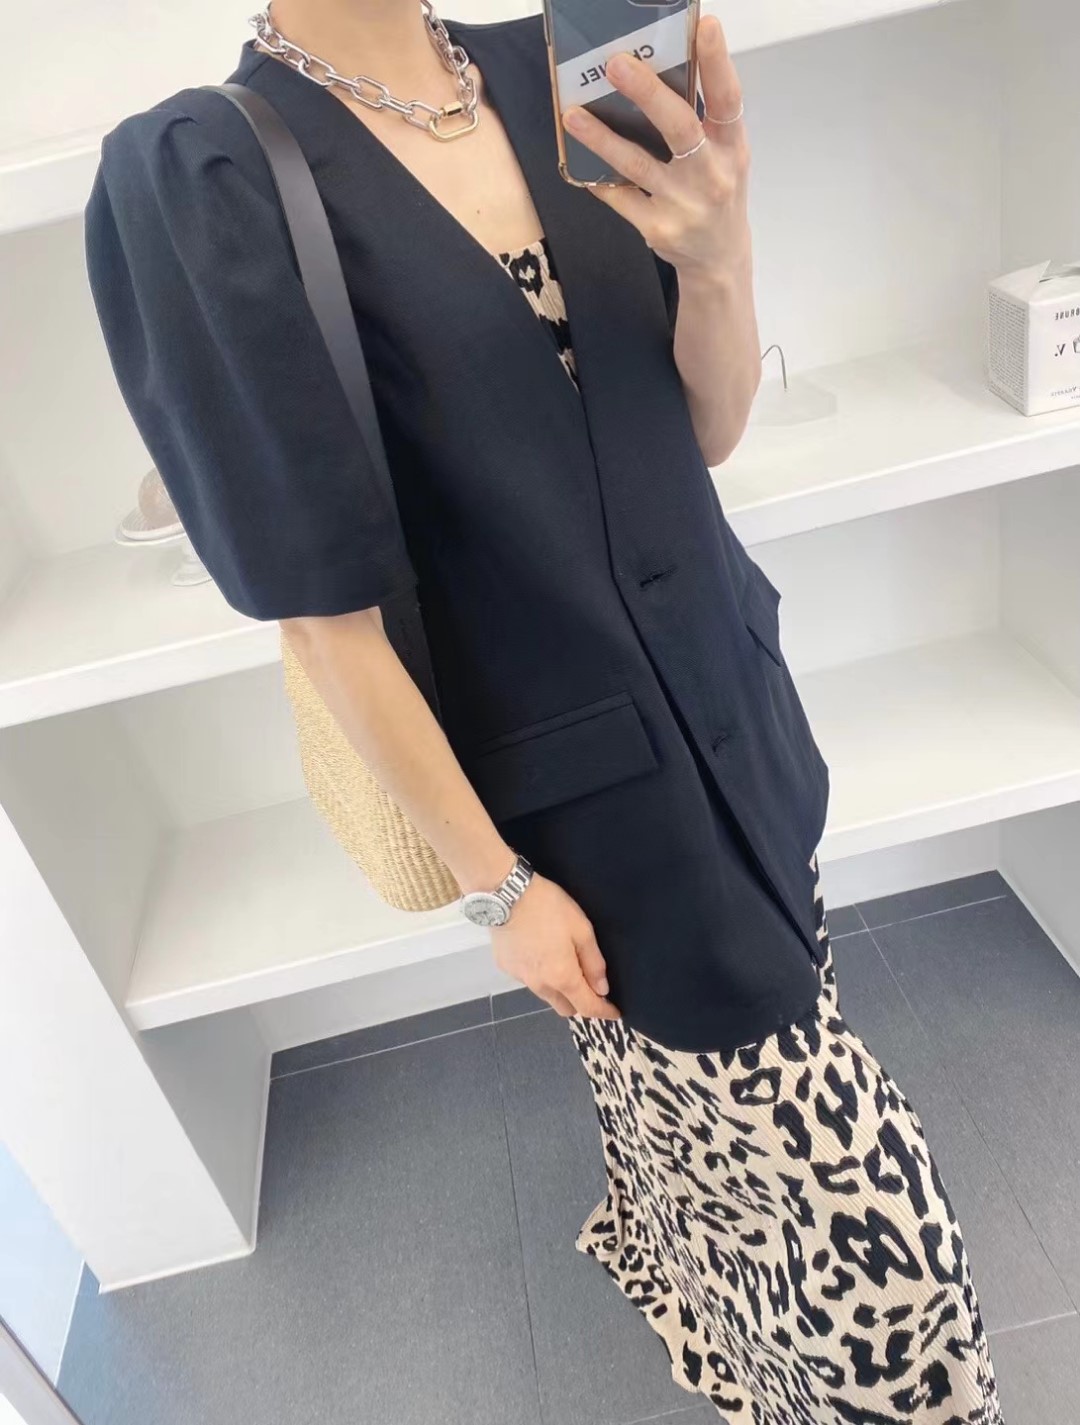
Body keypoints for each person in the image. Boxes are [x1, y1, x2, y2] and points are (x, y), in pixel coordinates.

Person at [83, 2, 1003, 1418]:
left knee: (693, 1104)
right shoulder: (205, 174)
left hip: (742, 705)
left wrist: (721, 253)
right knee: (876, 1240)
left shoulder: (563, 66)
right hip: (582, 811)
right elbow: (321, 618)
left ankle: (710, 1312)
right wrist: (496, 887)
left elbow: (700, 435)